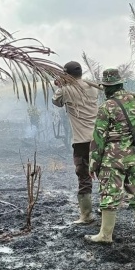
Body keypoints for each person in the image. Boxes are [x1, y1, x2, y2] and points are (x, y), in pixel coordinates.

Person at [85, 68, 135, 243]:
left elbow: (99, 138)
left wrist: (93, 164)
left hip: (113, 158)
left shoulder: (106, 107)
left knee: (109, 194)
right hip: (133, 155)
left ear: (108, 87)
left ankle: (105, 235)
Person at [52, 61, 99, 225]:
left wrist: (61, 85)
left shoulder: (66, 90)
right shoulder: (93, 87)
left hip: (81, 141)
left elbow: (56, 101)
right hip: (99, 138)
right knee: (106, 173)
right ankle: (109, 207)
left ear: (66, 75)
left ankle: (86, 215)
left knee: (84, 176)